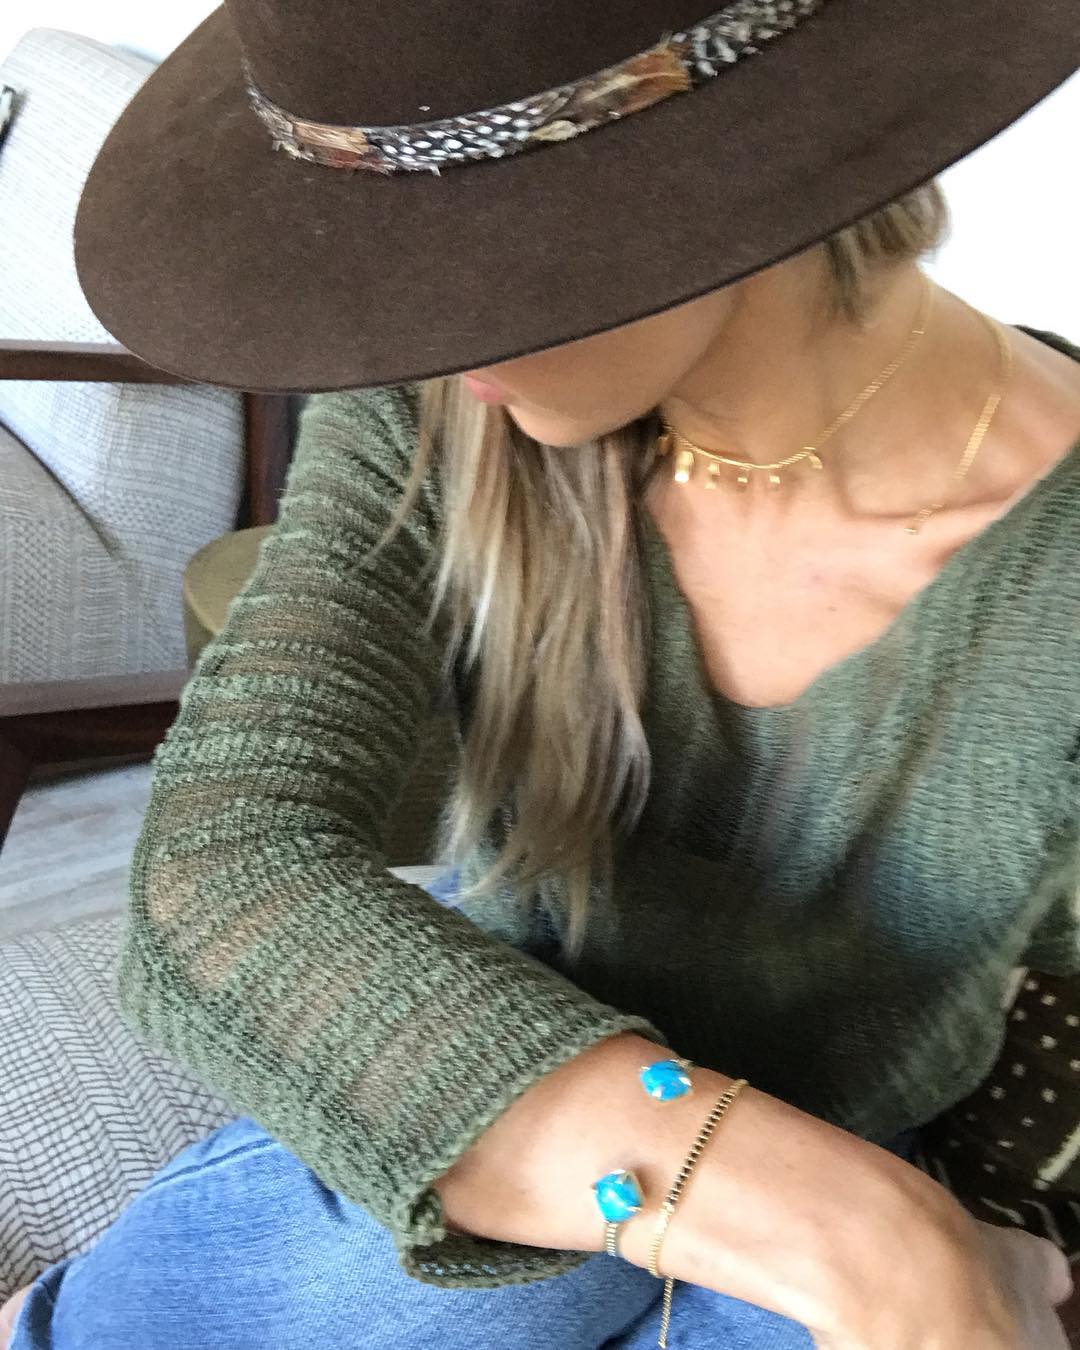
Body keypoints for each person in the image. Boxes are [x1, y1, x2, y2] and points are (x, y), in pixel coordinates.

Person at [5, 0, 1079, 1345]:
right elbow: (223, 861)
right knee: (513, 1273)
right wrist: (862, 1233)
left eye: (470, 255)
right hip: (520, 1057)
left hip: (864, 1122)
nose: (390, 328)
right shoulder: (435, 408)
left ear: (723, 172)